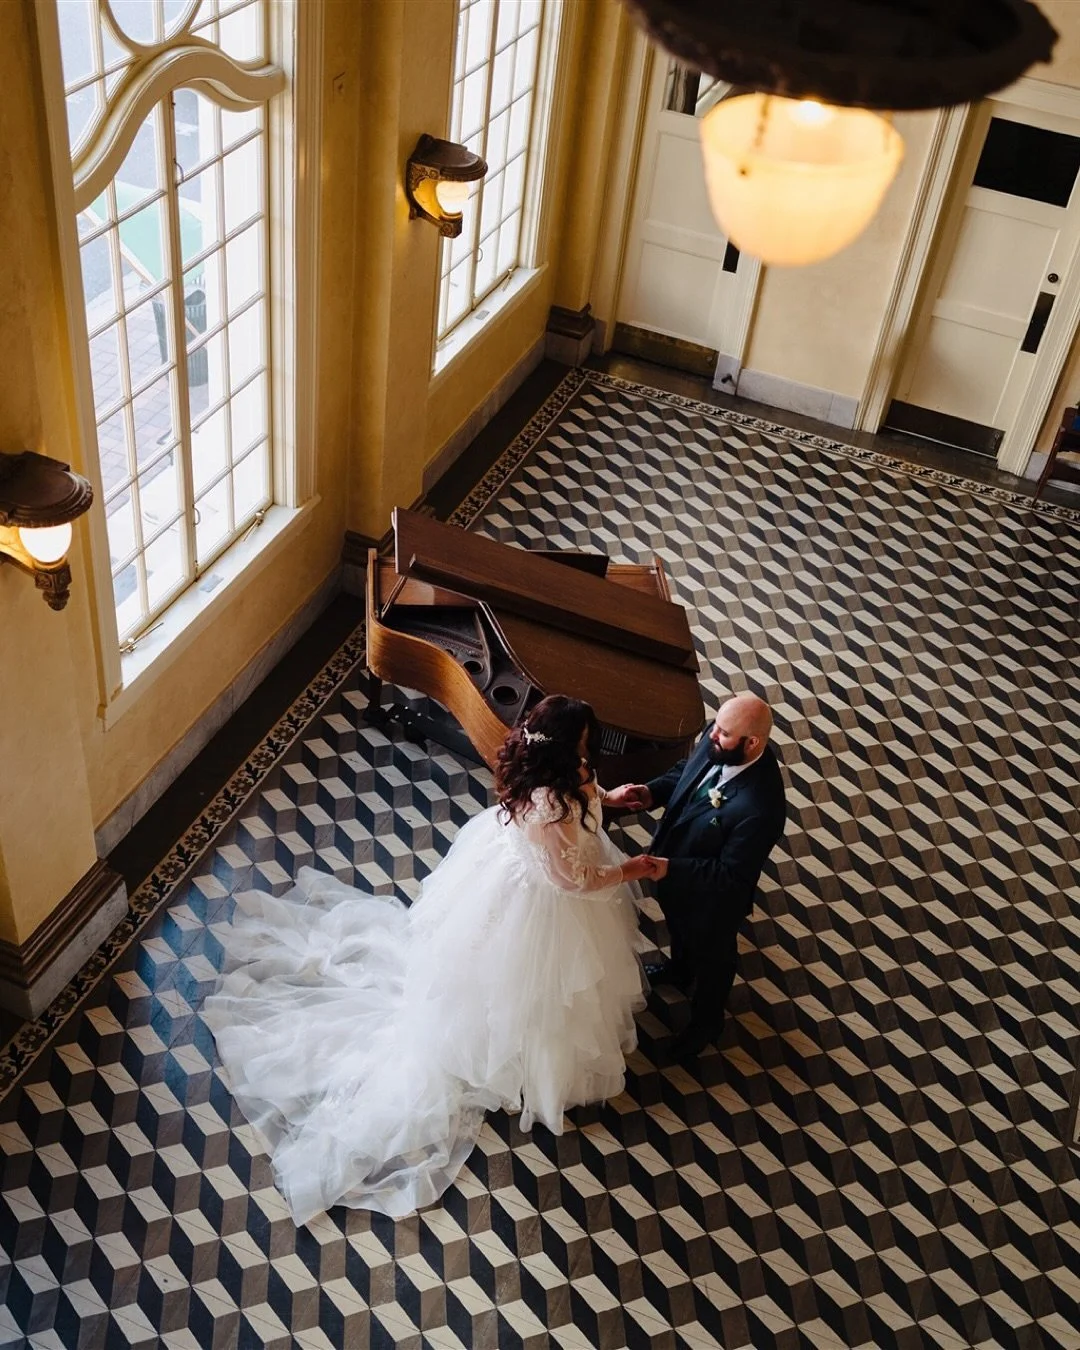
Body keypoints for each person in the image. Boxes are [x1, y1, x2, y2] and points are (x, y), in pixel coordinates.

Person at [202, 695, 660, 1223]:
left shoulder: (560, 776)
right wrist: (635, 869)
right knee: (533, 991)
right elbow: (573, 879)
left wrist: (608, 795)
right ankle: (516, 1065)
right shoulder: (551, 808)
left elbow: (582, 785)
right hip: (539, 904)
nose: (590, 754)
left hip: (529, 869)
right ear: (561, 753)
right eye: (583, 747)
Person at [605, 693, 787, 1060]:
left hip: (713, 901)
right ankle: (679, 969)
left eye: (723, 734)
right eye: (715, 727)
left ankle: (706, 1022)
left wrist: (670, 867)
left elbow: (731, 875)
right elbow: (686, 773)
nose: (712, 736)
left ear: (752, 743)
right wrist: (651, 791)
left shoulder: (760, 808)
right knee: (678, 929)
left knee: (714, 960)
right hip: (677, 871)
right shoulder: (720, 737)